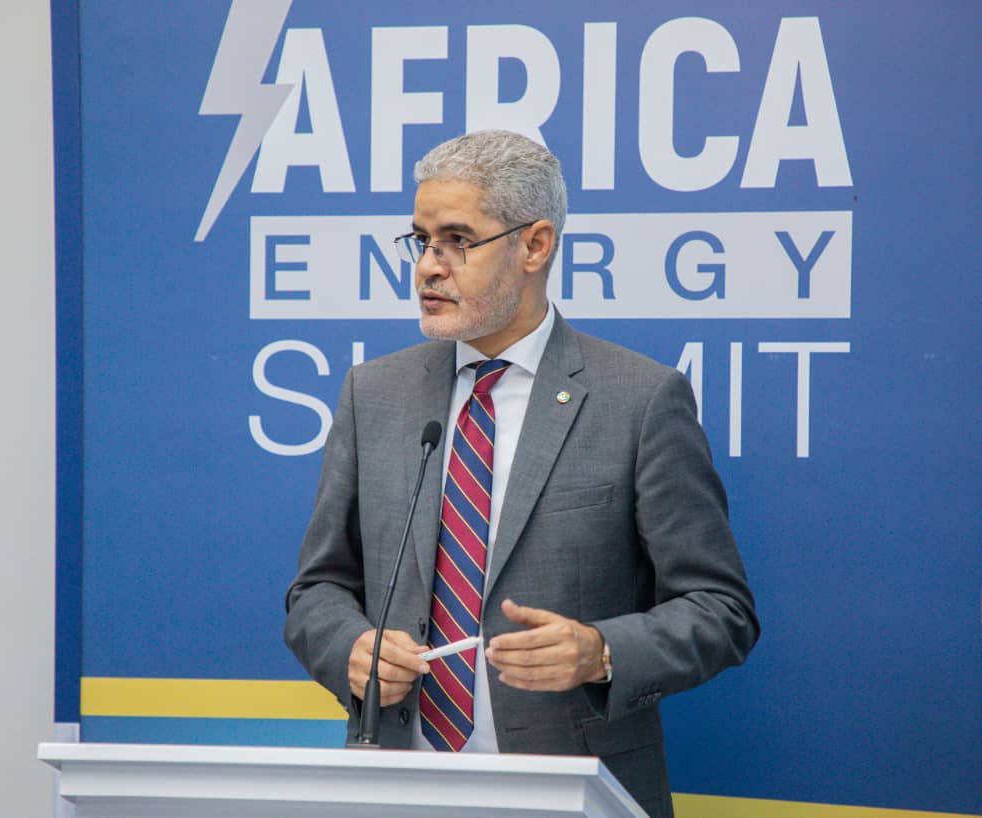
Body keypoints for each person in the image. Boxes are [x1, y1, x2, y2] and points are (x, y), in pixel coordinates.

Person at [284, 129, 759, 818]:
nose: (428, 268)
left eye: (457, 240)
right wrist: (349, 648)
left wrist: (602, 652)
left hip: (571, 790)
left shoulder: (639, 400)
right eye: (421, 240)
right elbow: (318, 588)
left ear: (534, 246)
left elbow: (720, 610)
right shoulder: (374, 393)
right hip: (395, 787)